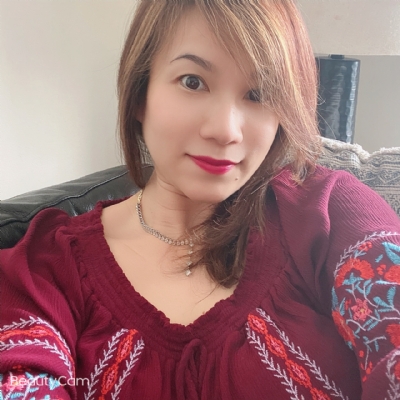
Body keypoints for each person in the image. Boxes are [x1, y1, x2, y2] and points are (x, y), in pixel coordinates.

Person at [1, 0, 400, 399]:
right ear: (140, 93)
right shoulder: (44, 270)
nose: (225, 130)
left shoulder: (329, 214)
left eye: (259, 93)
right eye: (192, 81)